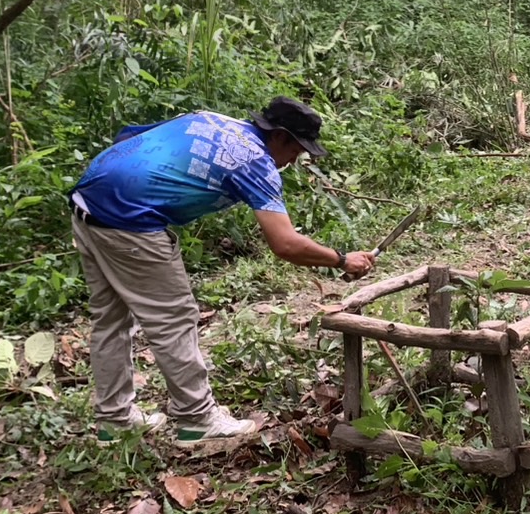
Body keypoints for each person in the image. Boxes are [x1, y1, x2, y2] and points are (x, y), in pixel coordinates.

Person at [69, 97, 375, 445]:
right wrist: (341, 259)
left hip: (89, 198)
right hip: (128, 221)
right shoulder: (255, 162)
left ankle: (115, 420)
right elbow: (285, 244)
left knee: (111, 319)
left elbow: (129, 137)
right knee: (173, 318)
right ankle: (197, 419)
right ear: (279, 136)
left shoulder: (213, 120)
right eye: (296, 150)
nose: (294, 160)